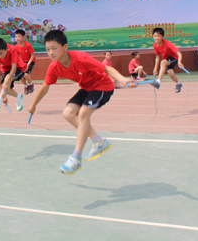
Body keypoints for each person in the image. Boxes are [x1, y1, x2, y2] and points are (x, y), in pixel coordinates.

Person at [28, 30, 137, 175]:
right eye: (48, 49)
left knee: (84, 113)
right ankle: (99, 141)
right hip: (86, 88)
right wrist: (33, 105)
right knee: (68, 113)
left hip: (102, 87)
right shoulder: (54, 67)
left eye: (54, 48)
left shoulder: (81, 58)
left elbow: (107, 68)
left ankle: (75, 158)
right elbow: (44, 87)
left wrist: (123, 80)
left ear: (65, 47)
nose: (51, 52)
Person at [0, 38, 26, 112]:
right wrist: (3, 95)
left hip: (19, 68)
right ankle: (19, 97)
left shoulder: (12, 49)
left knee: (6, 82)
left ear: (7, 48)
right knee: (4, 88)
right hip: (7, 70)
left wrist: (6, 82)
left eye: (0, 53)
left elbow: (14, 68)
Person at [151, 27, 184, 92]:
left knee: (163, 62)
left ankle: (158, 82)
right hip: (166, 60)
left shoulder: (168, 44)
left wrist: (179, 62)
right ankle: (178, 83)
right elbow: (157, 57)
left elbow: (179, 53)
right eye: (155, 36)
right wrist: (155, 68)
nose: (156, 38)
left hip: (174, 58)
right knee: (171, 74)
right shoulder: (155, 45)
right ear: (152, 36)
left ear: (162, 37)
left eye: (158, 36)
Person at [14, 29, 35, 94]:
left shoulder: (28, 45)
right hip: (22, 62)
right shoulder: (16, 46)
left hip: (30, 61)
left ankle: (30, 84)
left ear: (23, 37)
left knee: (25, 74)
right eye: (16, 36)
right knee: (19, 75)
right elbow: (16, 57)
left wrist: (28, 64)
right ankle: (26, 86)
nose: (17, 38)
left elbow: (32, 56)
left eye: (19, 36)